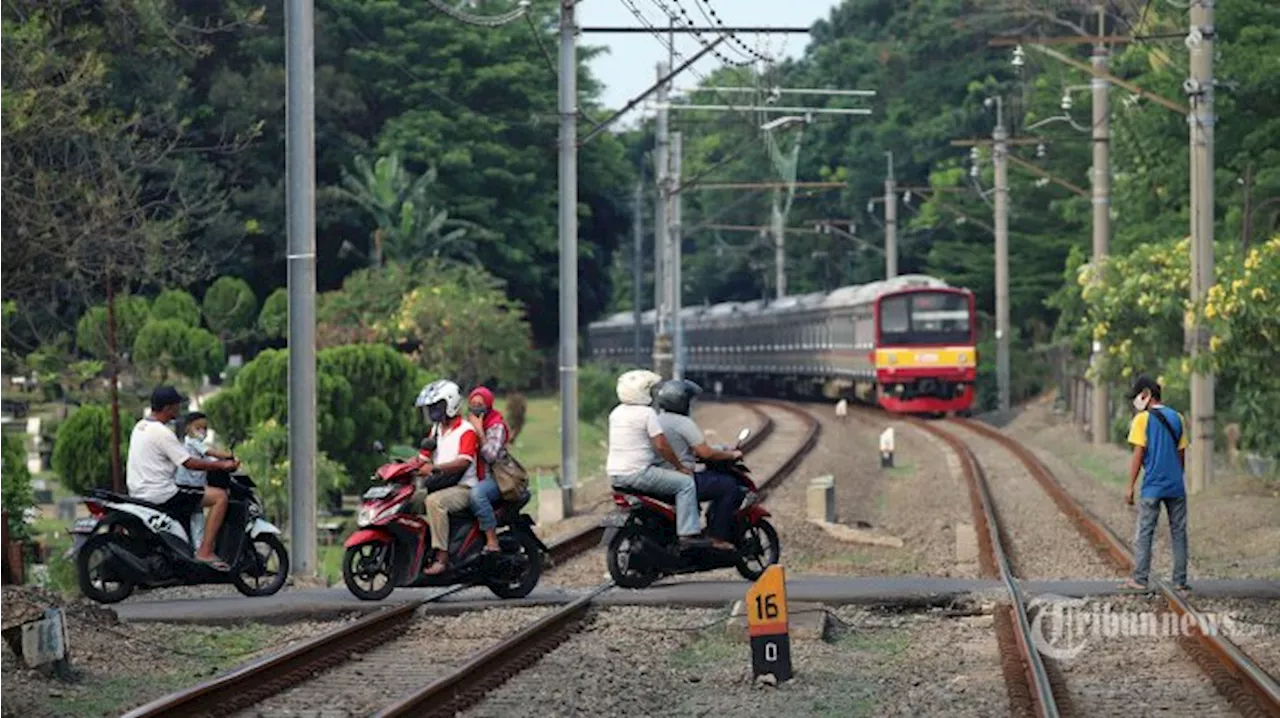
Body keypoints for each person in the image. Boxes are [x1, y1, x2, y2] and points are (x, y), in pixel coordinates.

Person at [127, 387, 239, 570]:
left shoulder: (140, 426)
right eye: (177, 405)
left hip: (139, 490)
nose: (179, 409)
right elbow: (188, 462)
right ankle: (205, 551)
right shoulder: (162, 432)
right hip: (161, 493)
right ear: (169, 407)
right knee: (220, 497)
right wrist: (222, 465)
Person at [606, 370, 709, 549]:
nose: (651, 393)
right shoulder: (647, 414)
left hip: (615, 474)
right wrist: (680, 467)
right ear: (640, 392)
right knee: (685, 484)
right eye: (648, 389)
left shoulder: (616, 413)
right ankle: (688, 533)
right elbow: (661, 445)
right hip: (639, 473)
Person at [1119, 375, 1191, 593]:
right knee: (1178, 532)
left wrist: (1130, 486)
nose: (1136, 401)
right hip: (1176, 485)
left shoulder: (1142, 420)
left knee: (1145, 531)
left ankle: (1140, 579)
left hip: (1152, 486)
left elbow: (1138, 455)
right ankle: (1180, 581)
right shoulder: (1178, 418)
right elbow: (1181, 454)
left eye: (1137, 396)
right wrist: (1177, 477)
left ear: (1146, 395)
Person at [653, 379, 744, 552]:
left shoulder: (656, 420)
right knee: (729, 487)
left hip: (659, 477)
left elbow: (679, 448)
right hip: (681, 477)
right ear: (682, 402)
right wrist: (731, 454)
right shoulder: (683, 423)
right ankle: (717, 536)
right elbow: (706, 453)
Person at [414, 380, 480, 576]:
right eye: (431, 407)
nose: (433, 411)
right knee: (410, 500)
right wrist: (399, 466)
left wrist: (434, 468)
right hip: (442, 485)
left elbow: (463, 462)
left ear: (450, 404)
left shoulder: (466, 430)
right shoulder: (436, 430)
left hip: (464, 488)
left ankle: (441, 558)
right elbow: (421, 457)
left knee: (434, 502)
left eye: (437, 406)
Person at [174, 412, 236, 546]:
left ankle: (198, 547)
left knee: (197, 518)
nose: (202, 431)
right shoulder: (192, 443)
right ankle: (200, 550)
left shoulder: (192, 446)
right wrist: (228, 456)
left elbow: (209, 460)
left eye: (205, 428)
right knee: (200, 518)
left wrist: (223, 463)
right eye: (198, 428)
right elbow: (210, 452)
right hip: (190, 488)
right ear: (188, 428)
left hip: (193, 487)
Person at [466, 386, 510, 553]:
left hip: (495, 477)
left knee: (477, 495)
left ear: (489, 405)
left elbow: (491, 456)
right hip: (473, 475)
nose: (476, 407)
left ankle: (492, 539)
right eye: (473, 403)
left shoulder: (495, 425)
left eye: (480, 403)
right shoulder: (467, 424)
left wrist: (480, 432)